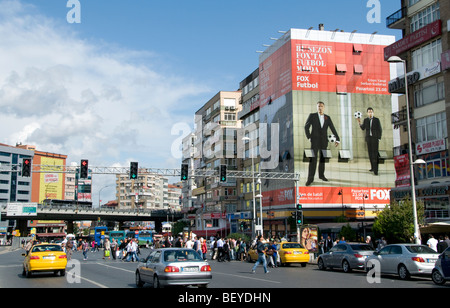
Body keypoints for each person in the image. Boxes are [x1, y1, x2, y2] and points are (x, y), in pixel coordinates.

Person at [305, 101, 340, 186]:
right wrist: (309, 137)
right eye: (318, 106)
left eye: (321, 106)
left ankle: (321, 175)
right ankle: (310, 179)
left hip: (324, 141)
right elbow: (306, 127)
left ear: (324, 107)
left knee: (322, 159)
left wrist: (337, 139)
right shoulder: (312, 116)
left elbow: (332, 128)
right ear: (317, 107)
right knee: (313, 159)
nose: (320, 108)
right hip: (314, 141)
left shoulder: (327, 117)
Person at [357, 107, 382, 175]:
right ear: (367, 113)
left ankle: (376, 170)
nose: (370, 113)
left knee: (375, 154)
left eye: (371, 112)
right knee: (370, 154)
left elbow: (379, 129)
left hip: (375, 138)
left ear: (373, 112)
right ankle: (372, 167)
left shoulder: (376, 120)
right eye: (369, 112)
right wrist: (359, 122)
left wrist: (379, 138)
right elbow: (363, 128)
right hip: (369, 139)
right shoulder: (366, 120)